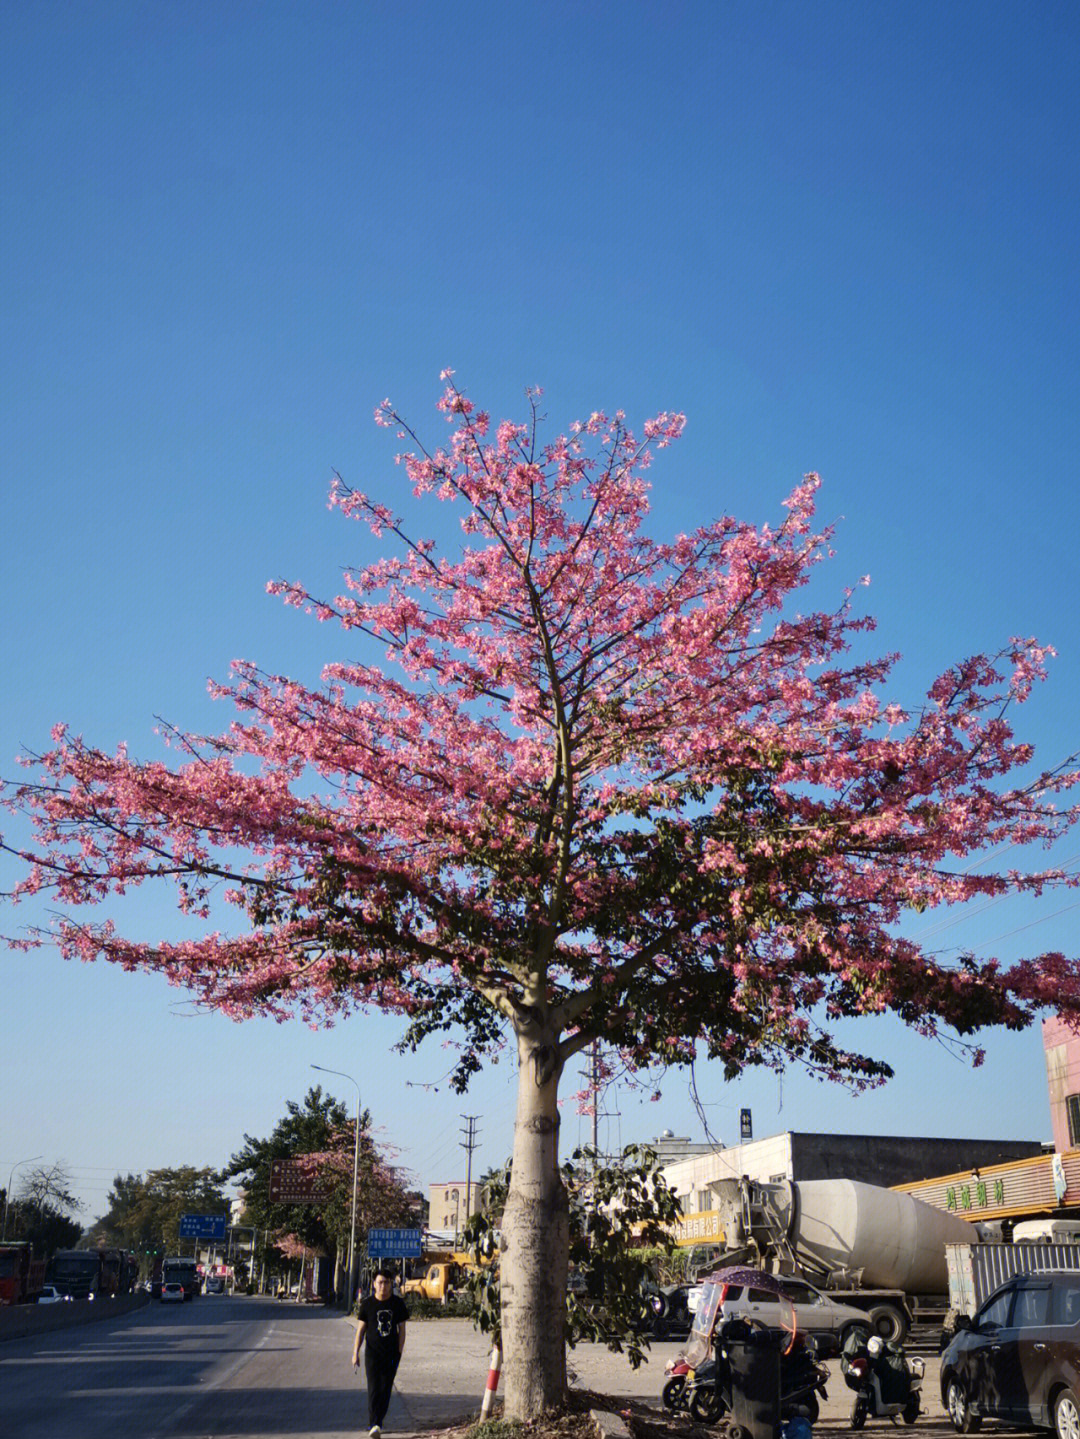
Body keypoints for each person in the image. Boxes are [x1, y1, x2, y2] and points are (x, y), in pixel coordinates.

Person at [352, 1269, 408, 1437]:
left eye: (387, 1282)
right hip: (372, 1354)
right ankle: (374, 1424)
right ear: (374, 1284)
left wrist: (399, 1351)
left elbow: (402, 1330)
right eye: (380, 1282)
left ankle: (378, 1421)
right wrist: (355, 1353)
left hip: (391, 1354)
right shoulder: (367, 1304)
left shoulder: (397, 1304)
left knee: (385, 1389)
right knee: (374, 1389)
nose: (383, 1286)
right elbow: (360, 1331)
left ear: (391, 1284)